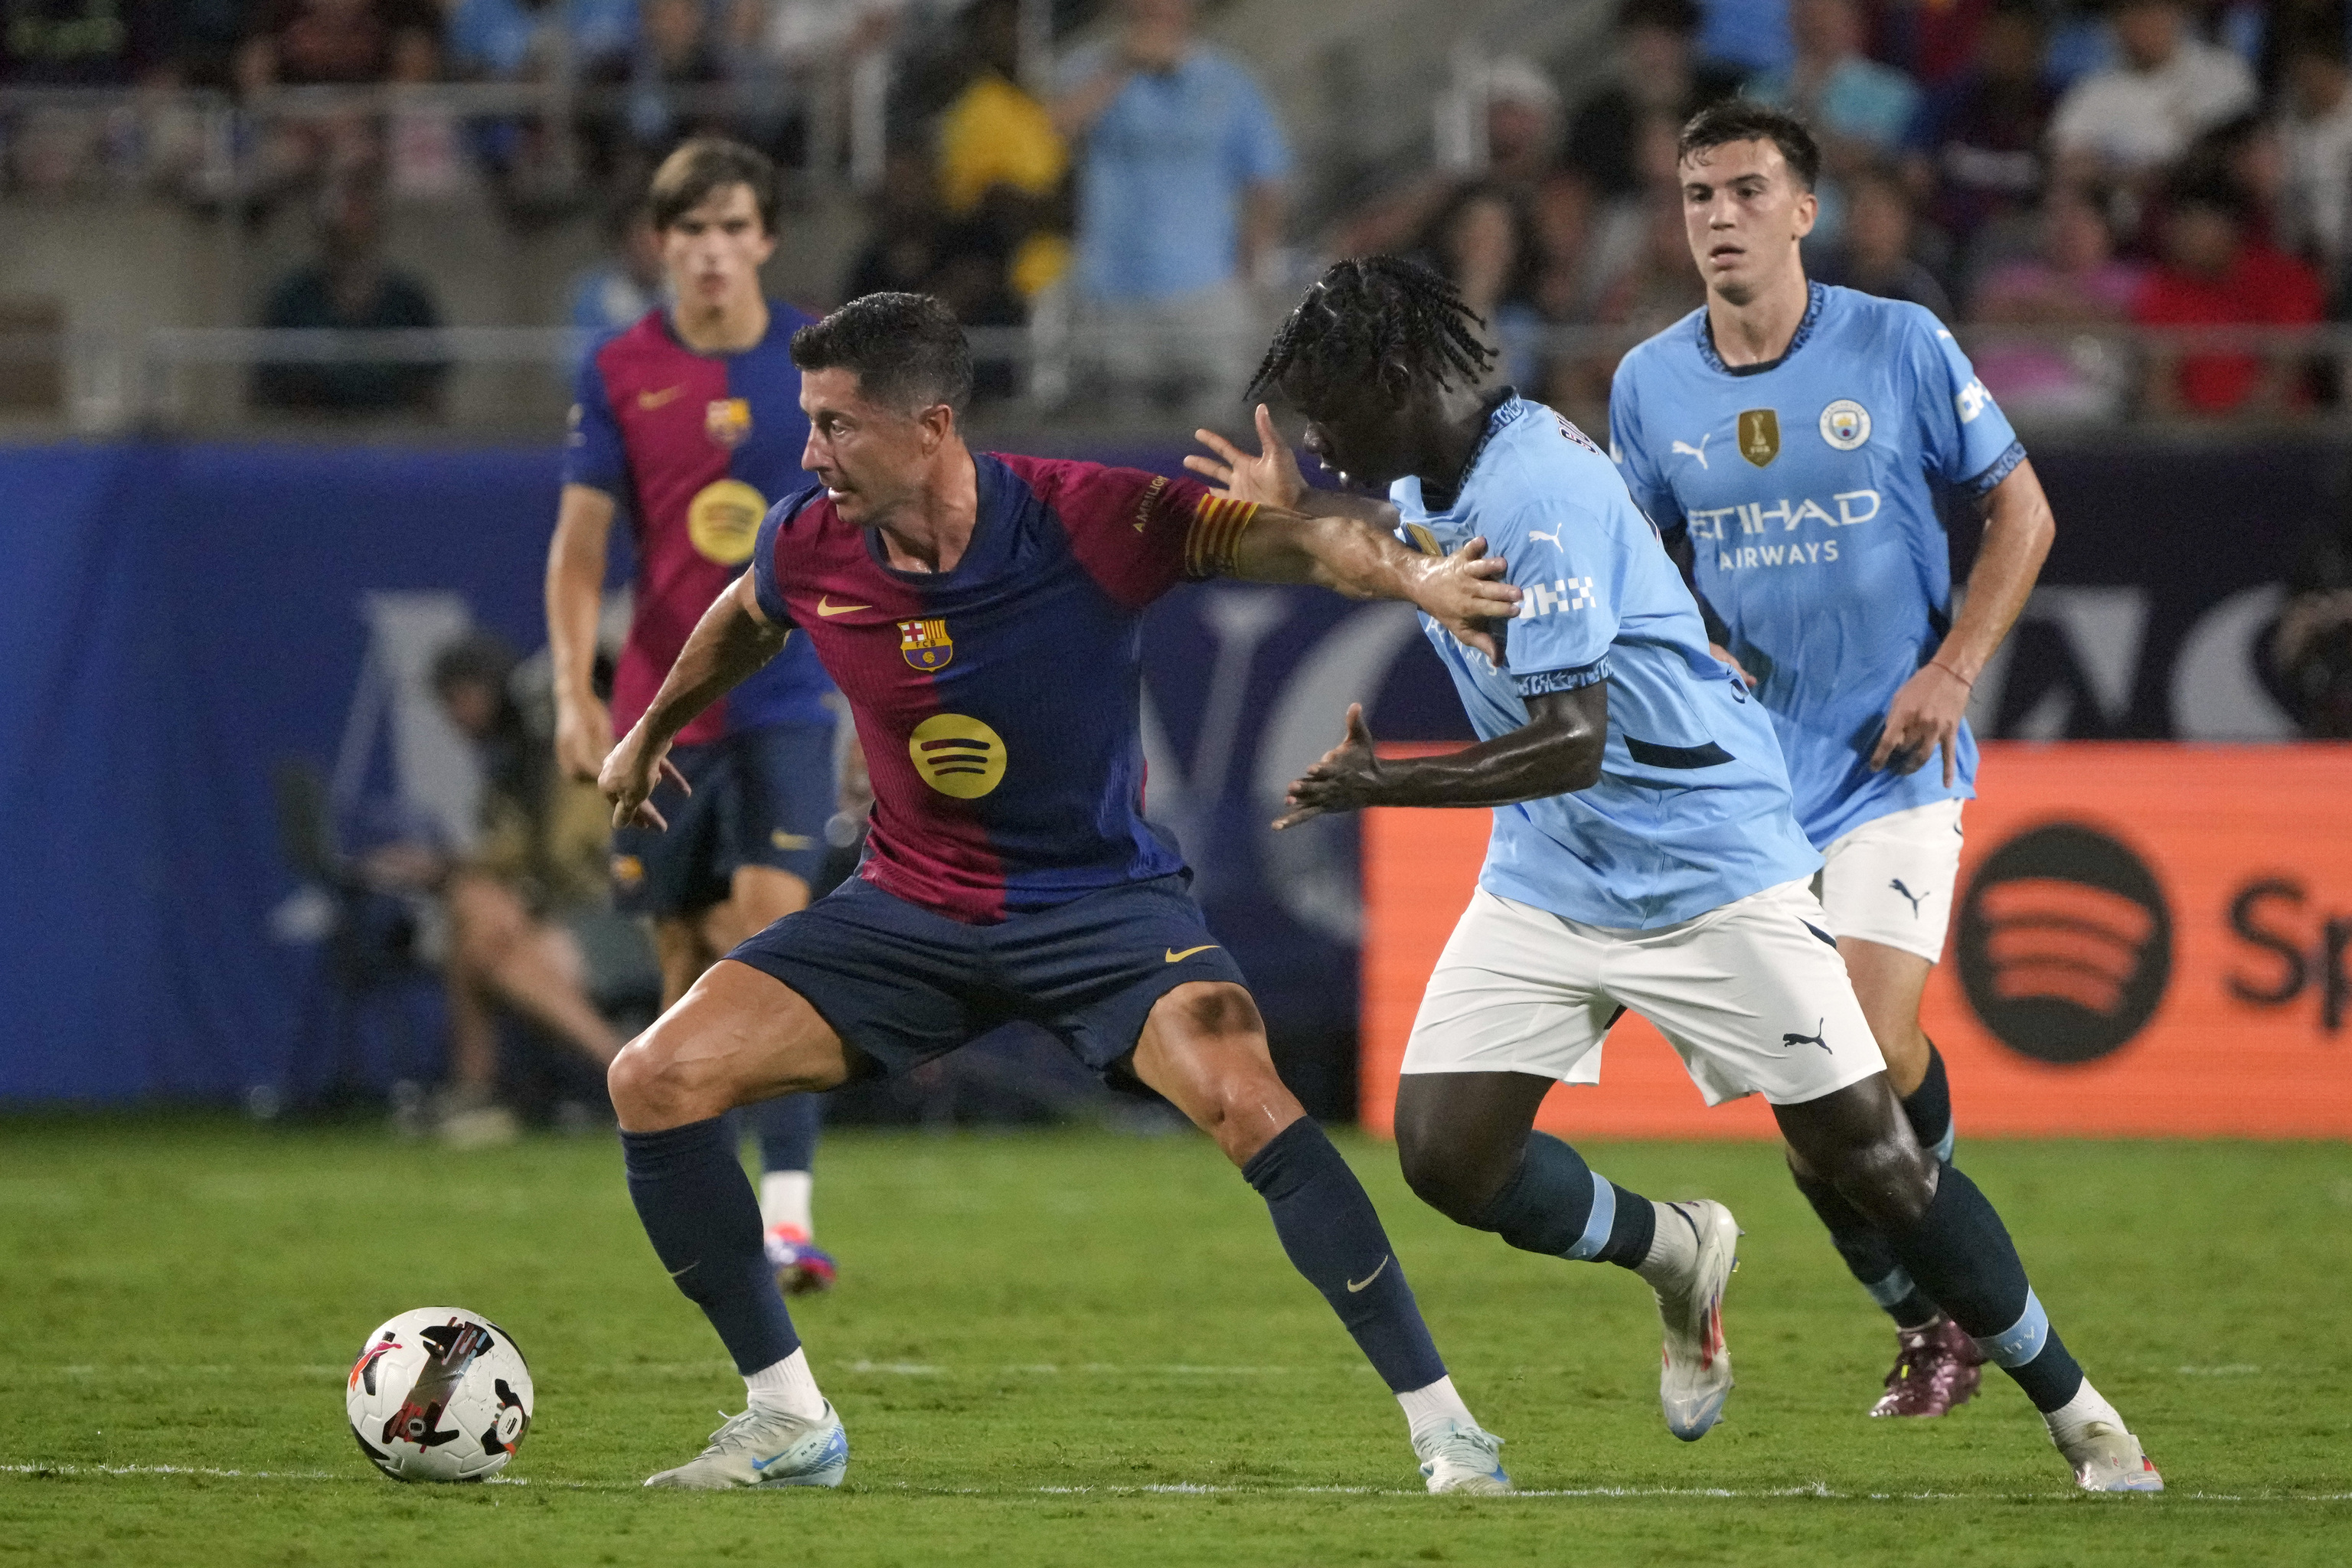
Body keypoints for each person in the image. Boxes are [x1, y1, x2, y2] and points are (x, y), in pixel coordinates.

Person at [1217, 253, 2160, 1493]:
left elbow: (1568, 742)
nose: (1325, 441)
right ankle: (1675, 1251)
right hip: (1557, 872)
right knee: (1446, 1153)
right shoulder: (1429, 468)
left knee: (1871, 1155)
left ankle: (2083, 1415)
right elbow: (1378, 540)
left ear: (1395, 378)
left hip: (1705, 861)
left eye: (1329, 412)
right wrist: (1303, 516)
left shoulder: (1539, 489)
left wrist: (1381, 782)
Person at [594, 289, 1527, 1492]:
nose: (812, 454)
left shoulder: (1087, 516)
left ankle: (1449, 1429)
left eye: (837, 427)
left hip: (1103, 912)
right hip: (910, 908)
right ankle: (787, 1421)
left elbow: (1297, 542)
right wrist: (648, 732)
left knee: (1249, 1101)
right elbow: (747, 614)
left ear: (931, 427)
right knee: (653, 1079)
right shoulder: (808, 537)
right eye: (809, 424)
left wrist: (1416, 582)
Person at [1601, 100, 2114, 1436]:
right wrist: (1686, 661)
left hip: (1892, 754)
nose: (1718, 215)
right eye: (1696, 193)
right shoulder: (1647, 382)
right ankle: (1922, 1318)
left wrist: (1949, 669)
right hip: (1749, 783)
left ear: (1802, 209)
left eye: (1744, 190)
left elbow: (2023, 509)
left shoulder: (1896, 342)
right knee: (1806, 1100)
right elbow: (1639, 565)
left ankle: (1943, 1277)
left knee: (1874, 1048)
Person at [550, 137, 842, 1295]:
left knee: (769, 941)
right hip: (661, 712)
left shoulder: (819, 357)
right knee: (681, 957)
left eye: (733, 228)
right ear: (659, 243)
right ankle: (714, 1221)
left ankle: (788, 1218)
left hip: (784, 693)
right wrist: (577, 690)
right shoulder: (618, 367)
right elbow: (578, 551)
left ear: (766, 238)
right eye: (691, 231)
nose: (713, 252)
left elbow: (869, 530)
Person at [428, 632, 644, 1147]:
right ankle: (480, 1094)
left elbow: (580, 859)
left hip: (631, 923)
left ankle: (629, 1074)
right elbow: (523, 852)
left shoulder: (608, 756)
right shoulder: (525, 765)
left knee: (488, 943)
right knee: (476, 919)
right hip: (579, 919)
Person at [1050, 0, 1289, 417]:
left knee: (1215, 445)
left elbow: (1267, 179)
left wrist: (1253, 266)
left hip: (1207, 294)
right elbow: (1049, 135)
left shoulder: (1229, 80)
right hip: (1112, 296)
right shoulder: (1087, 69)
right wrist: (1122, 67)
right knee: (1125, 457)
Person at [2132, 168, 2325, 419]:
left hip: (2279, 437)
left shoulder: (2287, 278)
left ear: (2228, 226)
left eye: (2189, 223)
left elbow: (2285, 371)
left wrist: (2235, 435)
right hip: (2192, 442)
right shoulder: (2162, 288)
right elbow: (2159, 384)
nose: (2175, 236)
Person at [252, 177, 448, 416]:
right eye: (342, 226)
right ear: (322, 233)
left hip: (393, 437)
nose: (352, 233)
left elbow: (432, 384)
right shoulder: (293, 297)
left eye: (361, 220)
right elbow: (270, 383)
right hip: (309, 438)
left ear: (377, 229)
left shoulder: (407, 298)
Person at [2048, 0, 2255, 191]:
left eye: (2150, 10)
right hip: (2129, 210)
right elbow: (2069, 165)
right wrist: (2132, 178)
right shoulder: (2093, 92)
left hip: (2214, 206)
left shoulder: (2226, 74)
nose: (2142, 24)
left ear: (2176, 12)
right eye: (2130, 13)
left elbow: (2249, 154)